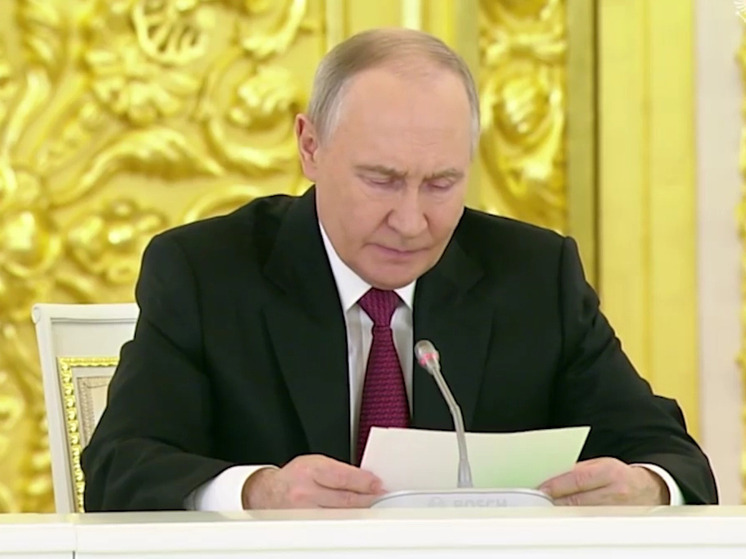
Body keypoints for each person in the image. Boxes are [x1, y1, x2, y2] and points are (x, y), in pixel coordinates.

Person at [81, 27, 718, 511]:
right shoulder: (205, 272)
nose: (412, 222)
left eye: (441, 183)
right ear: (310, 146)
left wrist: (647, 486)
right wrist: (257, 492)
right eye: (381, 180)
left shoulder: (534, 276)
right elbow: (118, 467)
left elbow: (674, 459)